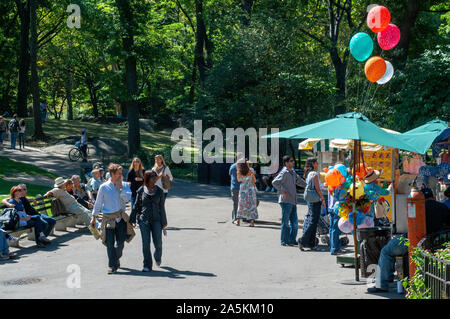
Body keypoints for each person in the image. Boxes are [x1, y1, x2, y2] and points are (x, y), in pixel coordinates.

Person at [368, 187, 450, 293]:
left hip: (412, 239)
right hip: (433, 241)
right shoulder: (442, 207)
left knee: (386, 251)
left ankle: (382, 283)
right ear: (433, 197)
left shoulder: (417, 205)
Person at [90, 164, 135, 274]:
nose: (121, 175)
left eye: (121, 173)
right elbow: (98, 203)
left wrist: (120, 189)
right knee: (109, 243)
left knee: (120, 242)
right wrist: (93, 217)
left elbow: (127, 199)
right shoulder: (104, 187)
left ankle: (116, 258)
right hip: (108, 219)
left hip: (120, 218)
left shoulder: (124, 185)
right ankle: (112, 266)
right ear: (112, 174)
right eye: (118, 174)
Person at [130, 170, 167, 272]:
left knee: (158, 243)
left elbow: (162, 207)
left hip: (157, 220)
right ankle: (147, 265)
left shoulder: (159, 191)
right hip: (144, 220)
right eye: (153, 177)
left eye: (156, 177)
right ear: (147, 178)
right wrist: (132, 219)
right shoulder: (141, 190)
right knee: (146, 243)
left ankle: (157, 257)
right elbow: (136, 205)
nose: (155, 179)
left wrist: (164, 223)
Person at [272, 155, 307, 246]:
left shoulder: (293, 172)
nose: (293, 162)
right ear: (286, 163)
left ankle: (291, 240)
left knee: (294, 223)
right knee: (286, 222)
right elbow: (274, 182)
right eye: (291, 161)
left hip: (293, 200)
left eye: (293, 160)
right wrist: (283, 192)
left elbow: (299, 181)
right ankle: (284, 241)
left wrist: (309, 186)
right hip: (286, 201)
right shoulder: (284, 172)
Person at [298, 157, 326, 251]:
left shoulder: (308, 173)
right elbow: (318, 188)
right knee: (314, 221)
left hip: (310, 199)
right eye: (317, 162)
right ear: (313, 164)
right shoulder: (314, 174)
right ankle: (302, 240)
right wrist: (322, 198)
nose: (318, 164)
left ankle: (311, 243)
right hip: (315, 199)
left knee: (313, 221)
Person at [235, 160, 258, 227]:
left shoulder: (239, 172)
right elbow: (254, 180)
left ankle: (238, 221)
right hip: (250, 189)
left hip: (243, 190)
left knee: (241, 205)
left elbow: (239, 180)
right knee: (251, 205)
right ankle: (252, 222)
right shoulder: (251, 171)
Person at [229, 152, 244, 223]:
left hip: (234, 187)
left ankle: (235, 218)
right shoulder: (244, 166)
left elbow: (230, 174)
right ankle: (243, 217)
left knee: (235, 203)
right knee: (243, 202)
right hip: (243, 187)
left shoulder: (232, 166)